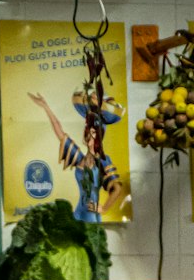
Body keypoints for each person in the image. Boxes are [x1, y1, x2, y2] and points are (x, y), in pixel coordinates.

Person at [28, 90, 125, 222]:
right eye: (87, 132)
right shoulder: (79, 158)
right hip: (78, 213)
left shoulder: (103, 161)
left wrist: (104, 208)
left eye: (93, 133)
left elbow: (117, 188)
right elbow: (60, 132)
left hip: (90, 216)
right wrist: (46, 107)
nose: (89, 136)